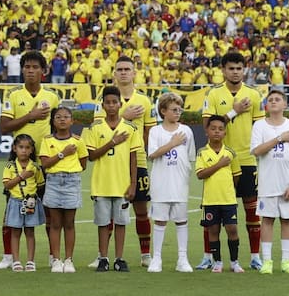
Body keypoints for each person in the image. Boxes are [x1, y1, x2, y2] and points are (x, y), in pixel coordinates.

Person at [199, 51, 265, 270]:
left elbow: (260, 128)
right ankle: (208, 257)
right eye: (231, 68)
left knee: (251, 212)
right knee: (212, 213)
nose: (235, 72)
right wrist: (233, 112)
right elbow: (207, 126)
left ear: (244, 70)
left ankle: (255, 257)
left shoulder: (253, 94)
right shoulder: (213, 94)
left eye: (239, 68)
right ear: (223, 70)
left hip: (246, 159)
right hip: (218, 160)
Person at [0, 50, 60, 269]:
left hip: (46, 162)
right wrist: (30, 116)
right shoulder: (13, 95)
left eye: (35, 67)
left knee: (50, 210)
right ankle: (8, 256)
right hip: (19, 162)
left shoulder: (52, 97)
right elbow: (4, 127)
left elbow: (58, 127)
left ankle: (53, 255)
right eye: (27, 67)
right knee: (11, 208)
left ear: (43, 71)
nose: (30, 71)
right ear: (22, 70)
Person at [94, 57, 156, 266]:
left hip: (137, 162)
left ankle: (145, 255)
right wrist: (124, 115)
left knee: (141, 209)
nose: (123, 72)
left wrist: (140, 151)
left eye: (127, 69)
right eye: (119, 69)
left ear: (134, 73)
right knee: (109, 211)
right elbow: (99, 128)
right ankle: (103, 255)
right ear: (114, 73)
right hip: (110, 163)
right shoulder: (103, 99)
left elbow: (149, 132)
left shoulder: (144, 100)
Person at [249, 87, 289, 275]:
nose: (273, 101)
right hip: (268, 184)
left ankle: (286, 261)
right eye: (271, 99)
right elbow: (257, 151)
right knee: (267, 220)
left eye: (277, 99)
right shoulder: (259, 126)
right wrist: (279, 138)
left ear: (285, 104)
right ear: (266, 105)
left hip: (287, 184)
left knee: (287, 220)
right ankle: (267, 261)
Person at [85, 85, 142, 272]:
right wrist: (112, 142)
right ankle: (103, 258)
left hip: (122, 185)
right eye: (107, 102)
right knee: (103, 223)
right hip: (101, 184)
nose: (111, 106)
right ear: (102, 105)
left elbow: (133, 159)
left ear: (120, 104)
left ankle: (119, 258)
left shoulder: (130, 128)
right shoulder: (95, 128)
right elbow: (92, 156)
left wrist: (133, 184)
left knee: (121, 223)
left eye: (114, 102)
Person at [146, 92, 196, 273]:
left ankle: (182, 259)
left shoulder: (186, 131)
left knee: (181, 220)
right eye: (174, 109)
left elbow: (190, 156)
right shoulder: (155, 131)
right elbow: (152, 154)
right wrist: (172, 143)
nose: (178, 112)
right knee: (160, 221)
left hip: (180, 183)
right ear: (163, 111)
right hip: (161, 183)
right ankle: (156, 258)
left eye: (179, 109)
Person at [39, 105, 87, 273]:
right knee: (55, 223)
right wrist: (63, 154)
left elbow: (83, 164)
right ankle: (56, 260)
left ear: (72, 121)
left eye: (66, 117)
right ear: (53, 121)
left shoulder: (78, 140)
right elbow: (45, 164)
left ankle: (68, 260)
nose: (62, 120)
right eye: (58, 117)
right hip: (53, 181)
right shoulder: (47, 140)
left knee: (69, 223)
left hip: (72, 181)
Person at [196, 114, 244, 273]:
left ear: (225, 133)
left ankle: (234, 262)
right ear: (207, 131)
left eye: (220, 129)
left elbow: (236, 176)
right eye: (213, 128)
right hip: (210, 200)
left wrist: (229, 190)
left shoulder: (230, 153)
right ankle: (217, 262)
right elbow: (200, 174)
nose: (217, 131)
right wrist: (219, 164)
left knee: (232, 229)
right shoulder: (202, 152)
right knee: (213, 231)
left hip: (228, 200)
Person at [2, 134, 44, 272]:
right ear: (15, 148)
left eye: (27, 148)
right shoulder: (10, 166)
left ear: (32, 150)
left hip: (30, 202)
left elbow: (40, 184)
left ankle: (30, 261)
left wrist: (33, 197)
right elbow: (7, 185)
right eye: (21, 147)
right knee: (15, 232)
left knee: (30, 231)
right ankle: (16, 261)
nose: (24, 150)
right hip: (15, 202)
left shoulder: (35, 167)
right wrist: (21, 176)